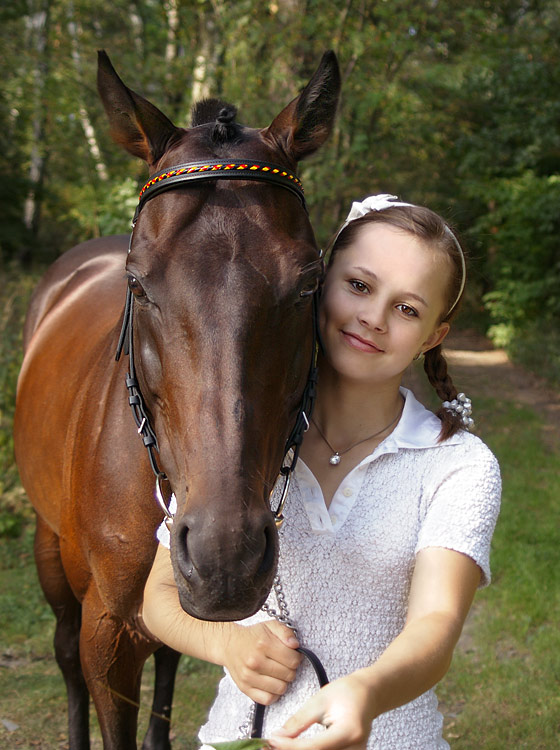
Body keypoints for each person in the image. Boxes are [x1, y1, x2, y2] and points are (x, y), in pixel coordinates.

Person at [141, 194, 501, 750]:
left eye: (406, 309)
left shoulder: (457, 466)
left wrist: (368, 692)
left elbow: (436, 626)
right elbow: (157, 597)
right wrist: (225, 645)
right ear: (320, 281)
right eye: (359, 285)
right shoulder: (245, 443)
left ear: (433, 335)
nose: (372, 318)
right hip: (241, 738)